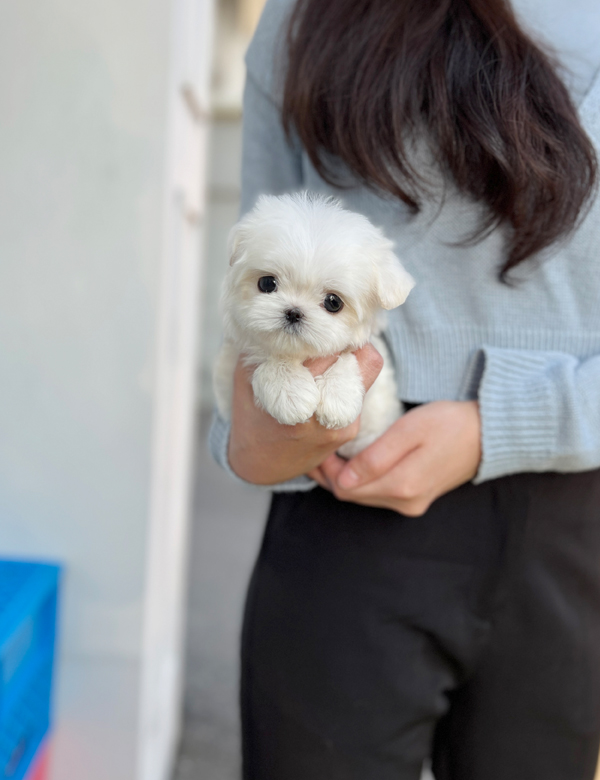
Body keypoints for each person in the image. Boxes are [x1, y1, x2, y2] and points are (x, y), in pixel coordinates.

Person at [210, 0, 600, 777]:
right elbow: (248, 290)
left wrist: (502, 425)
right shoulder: (302, 17)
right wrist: (247, 439)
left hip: (570, 513)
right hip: (343, 483)